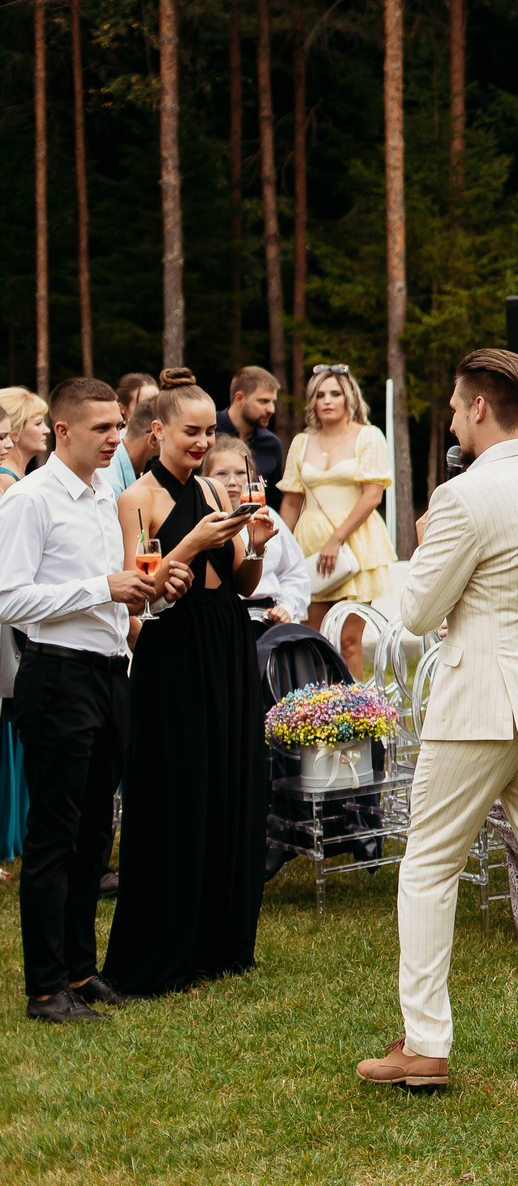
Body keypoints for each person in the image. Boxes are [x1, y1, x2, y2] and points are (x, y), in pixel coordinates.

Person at [360, 349, 518, 1097]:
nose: (448, 415)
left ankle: (427, 1045)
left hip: (481, 705)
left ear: (478, 408)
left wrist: (439, 543)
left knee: (430, 864)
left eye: (451, 404)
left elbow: (414, 612)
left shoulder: (465, 496)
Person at [0, 378, 172, 1021]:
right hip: (56, 675)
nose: (114, 438)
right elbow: (8, 599)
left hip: (109, 674)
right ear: (62, 431)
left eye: (116, 425)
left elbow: (114, 590)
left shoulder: (108, 496)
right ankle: (44, 987)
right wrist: (101, 586)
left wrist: (142, 597)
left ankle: (79, 968)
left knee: (96, 835)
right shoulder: (31, 501)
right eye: (101, 428)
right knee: (55, 835)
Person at [104, 370, 273, 999]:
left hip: (226, 640)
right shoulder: (137, 500)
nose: (205, 443)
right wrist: (192, 543)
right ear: (158, 431)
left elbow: (243, 582)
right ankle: (160, 949)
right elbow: (137, 597)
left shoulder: (212, 488)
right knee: (174, 790)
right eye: (192, 432)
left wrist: (251, 545)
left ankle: (220, 941)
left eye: (210, 432)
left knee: (228, 783)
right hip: (170, 653)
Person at [278, 362, 394, 676]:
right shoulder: (301, 442)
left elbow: (372, 495)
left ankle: (353, 716)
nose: (327, 400)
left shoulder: (368, 437)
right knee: (311, 639)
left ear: (349, 399)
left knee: (348, 641)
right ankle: (316, 715)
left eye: (335, 394)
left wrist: (336, 539)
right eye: (320, 395)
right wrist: (279, 550)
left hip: (354, 546)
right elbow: (291, 501)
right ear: (313, 401)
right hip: (310, 550)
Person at [207, 435, 311, 624]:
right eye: (221, 474)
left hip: (266, 616)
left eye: (239, 473)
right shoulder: (204, 521)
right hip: (221, 618)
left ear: (252, 476)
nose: (232, 481)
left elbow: (295, 572)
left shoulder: (267, 517)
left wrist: (286, 607)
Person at [216, 365, 286, 490]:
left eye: (273, 402)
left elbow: (275, 500)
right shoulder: (207, 433)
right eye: (263, 401)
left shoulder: (271, 444)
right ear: (239, 399)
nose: (271, 410)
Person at [106, 372, 159, 497]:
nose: (153, 407)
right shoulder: (111, 480)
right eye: (145, 403)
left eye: (157, 400)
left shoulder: (146, 464)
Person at [0, 387, 46, 497]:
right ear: (15, 430)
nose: (47, 430)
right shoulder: (6, 479)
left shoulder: (14, 476)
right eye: (38, 423)